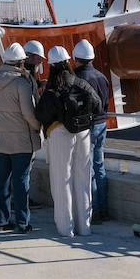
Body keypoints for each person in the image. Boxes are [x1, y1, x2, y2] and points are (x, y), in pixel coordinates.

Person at [34, 46, 99, 238]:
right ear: (69, 61)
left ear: (51, 65)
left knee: (62, 181)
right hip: (83, 133)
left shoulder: (52, 89)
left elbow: (40, 114)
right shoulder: (81, 83)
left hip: (60, 134)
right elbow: (97, 104)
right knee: (83, 179)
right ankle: (84, 227)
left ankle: (65, 229)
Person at [0, 43, 42, 234]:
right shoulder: (21, 83)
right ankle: (22, 223)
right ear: (21, 62)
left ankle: (1, 221)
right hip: (20, 142)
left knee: (1, 180)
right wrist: (37, 127)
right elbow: (28, 113)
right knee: (21, 181)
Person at [72, 39, 112, 224]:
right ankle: (103, 209)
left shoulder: (77, 79)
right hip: (102, 123)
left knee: (88, 170)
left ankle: (93, 211)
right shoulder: (102, 77)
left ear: (76, 58)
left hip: (86, 127)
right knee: (99, 166)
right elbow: (105, 103)